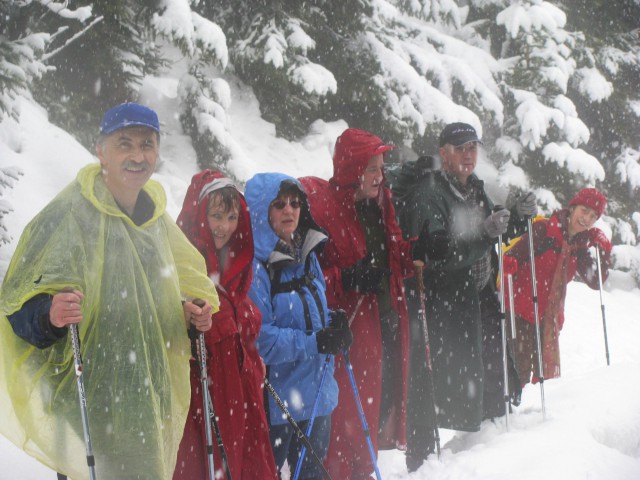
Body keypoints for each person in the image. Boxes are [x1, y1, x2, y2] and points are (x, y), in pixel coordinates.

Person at [0, 103, 219, 480]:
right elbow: (17, 309)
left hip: (149, 402)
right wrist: (49, 315)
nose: (138, 156)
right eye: (125, 144)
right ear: (101, 150)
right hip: (90, 405)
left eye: (147, 144)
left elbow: (162, 297)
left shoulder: (155, 221)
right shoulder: (68, 216)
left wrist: (187, 313)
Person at [396, 122, 536, 462]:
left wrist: (516, 218)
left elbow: (492, 230)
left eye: (472, 147)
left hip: (478, 295)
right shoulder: (430, 193)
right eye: (460, 148)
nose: (468, 155)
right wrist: (486, 234)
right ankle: (426, 460)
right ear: (443, 153)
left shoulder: (473, 187)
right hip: (445, 303)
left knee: (490, 369)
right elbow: (438, 256)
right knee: (437, 383)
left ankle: (488, 446)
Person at [300, 128, 429, 479]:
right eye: (373, 167)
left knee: (374, 408)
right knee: (346, 417)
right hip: (350, 329)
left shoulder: (379, 202)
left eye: (382, 167)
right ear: (353, 168)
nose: (380, 175)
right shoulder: (323, 209)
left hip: (386, 319)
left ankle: (361, 471)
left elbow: (392, 252)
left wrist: (416, 250)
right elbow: (307, 280)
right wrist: (347, 279)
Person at [245, 172, 351, 479]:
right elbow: (260, 341)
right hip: (278, 402)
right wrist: (315, 342)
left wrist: (335, 325)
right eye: (279, 204)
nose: (289, 210)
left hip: (317, 395)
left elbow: (313, 312)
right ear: (261, 211)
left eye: (294, 203)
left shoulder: (306, 252)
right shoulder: (256, 268)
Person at [173, 170, 277, 479]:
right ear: (199, 215)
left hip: (238, 398)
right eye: (216, 216)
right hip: (201, 401)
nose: (225, 227)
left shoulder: (237, 270)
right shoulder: (182, 266)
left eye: (232, 217)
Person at [504, 187, 611, 384]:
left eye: (593, 216)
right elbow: (511, 258)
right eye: (584, 211)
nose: (587, 219)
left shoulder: (579, 245)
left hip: (548, 320)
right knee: (518, 373)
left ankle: (536, 414)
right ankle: (511, 412)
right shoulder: (544, 229)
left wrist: (603, 251)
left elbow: (595, 281)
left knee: (545, 379)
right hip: (521, 313)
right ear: (572, 208)